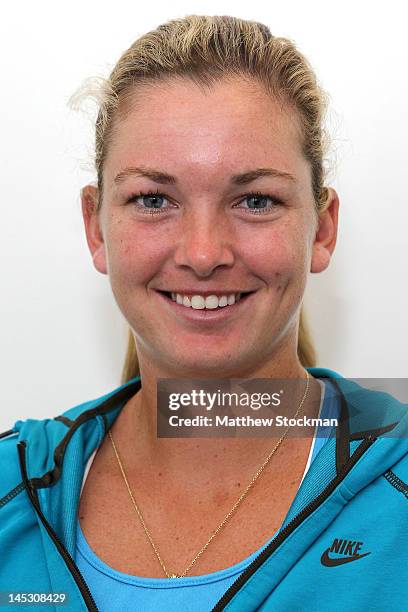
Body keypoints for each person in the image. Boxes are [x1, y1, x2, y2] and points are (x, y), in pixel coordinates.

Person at [1, 14, 407, 612]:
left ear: (321, 229)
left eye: (256, 200)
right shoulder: (12, 491)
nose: (202, 253)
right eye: (154, 199)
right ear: (96, 227)